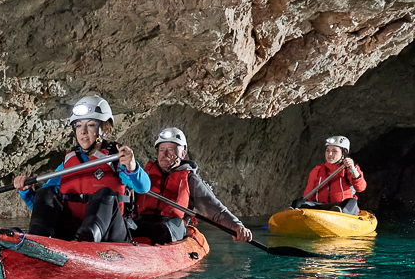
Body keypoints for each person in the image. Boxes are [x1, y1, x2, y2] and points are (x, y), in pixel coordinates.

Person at [14, 95, 148, 242]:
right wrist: (26, 192)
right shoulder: (67, 164)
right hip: (74, 233)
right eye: (78, 125)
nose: (83, 131)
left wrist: (133, 167)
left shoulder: (117, 159)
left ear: (104, 129)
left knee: (105, 194)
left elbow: (143, 188)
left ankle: (89, 236)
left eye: (90, 125)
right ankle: (37, 240)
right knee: (46, 192)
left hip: (110, 236)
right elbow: (44, 207)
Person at [131, 128, 253, 244]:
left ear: (183, 154)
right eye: (162, 150)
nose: (165, 154)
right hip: (143, 221)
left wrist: (237, 226)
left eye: (171, 149)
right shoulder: (143, 175)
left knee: (160, 230)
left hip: (172, 225)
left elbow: (215, 209)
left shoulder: (190, 179)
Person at [297, 136, 365, 214]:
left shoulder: (349, 169)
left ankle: (339, 213)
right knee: (298, 202)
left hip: (341, 207)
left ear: (343, 153)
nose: (330, 154)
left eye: (334, 151)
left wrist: (352, 169)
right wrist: (300, 205)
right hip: (321, 207)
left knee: (351, 202)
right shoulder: (317, 170)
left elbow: (360, 188)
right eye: (327, 150)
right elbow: (308, 194)